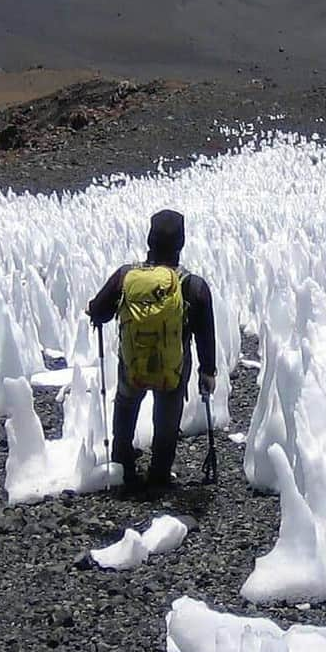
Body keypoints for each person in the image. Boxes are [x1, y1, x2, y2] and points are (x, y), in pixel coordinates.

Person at [87, 209, 216, 489]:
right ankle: (158, 474)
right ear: (181, 244)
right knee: (167, 416)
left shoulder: (126, 276)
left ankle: (122, 462)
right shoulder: (192, 285)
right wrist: (208, 371)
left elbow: (99, 310)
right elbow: (205, 332)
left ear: (150, 239)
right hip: (173, 366)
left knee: (126, 404)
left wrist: (96, 313)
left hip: (132, 362)